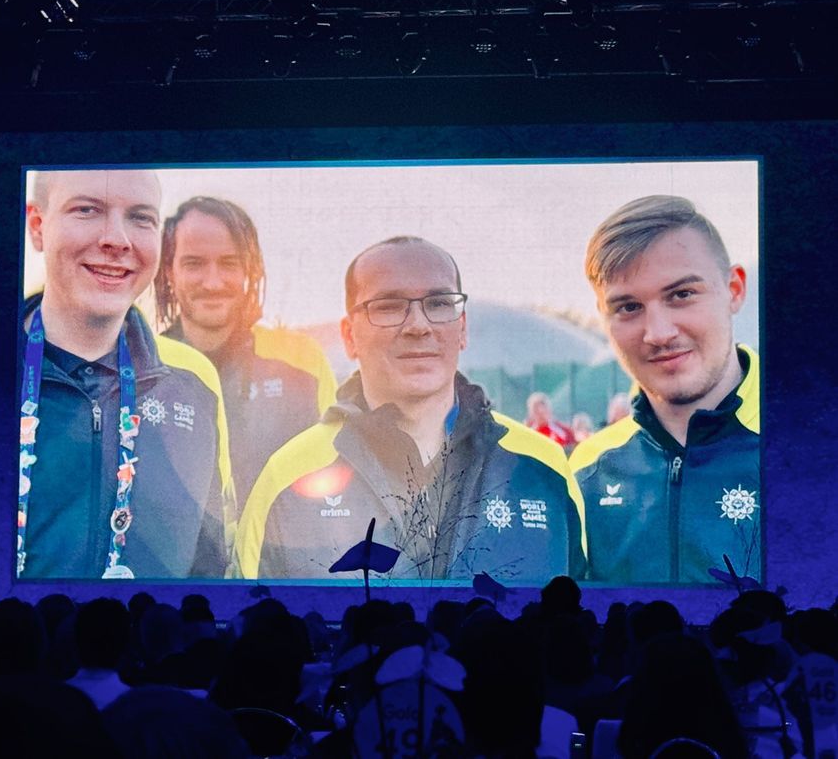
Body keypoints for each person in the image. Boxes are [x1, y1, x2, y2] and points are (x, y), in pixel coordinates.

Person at [236, 236, 586, 582]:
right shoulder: (287, 476)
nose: (419, 326)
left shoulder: (544, 469)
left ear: (462, 328)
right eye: (388, 306)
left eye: (438, 303)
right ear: (349, 336)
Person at [20, 170, 234, 579]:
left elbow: (210, 569)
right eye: (87, 210)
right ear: (37, 226)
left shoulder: (191, 387)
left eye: (140, 217)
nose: (117, 239)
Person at [570, 195, 760, 583]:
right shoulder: (586, 470)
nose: (658, 334)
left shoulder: (813, 450)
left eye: (682, 294)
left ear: (734, 290)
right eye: (628, 307)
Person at [154, 196, 337, 510]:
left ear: (249, 269)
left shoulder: (302, 361)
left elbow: (337, 472)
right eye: (193, 263)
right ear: (168, 271)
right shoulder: (144, 367)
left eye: (229, 263)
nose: (212, 282)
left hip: (281, 559)